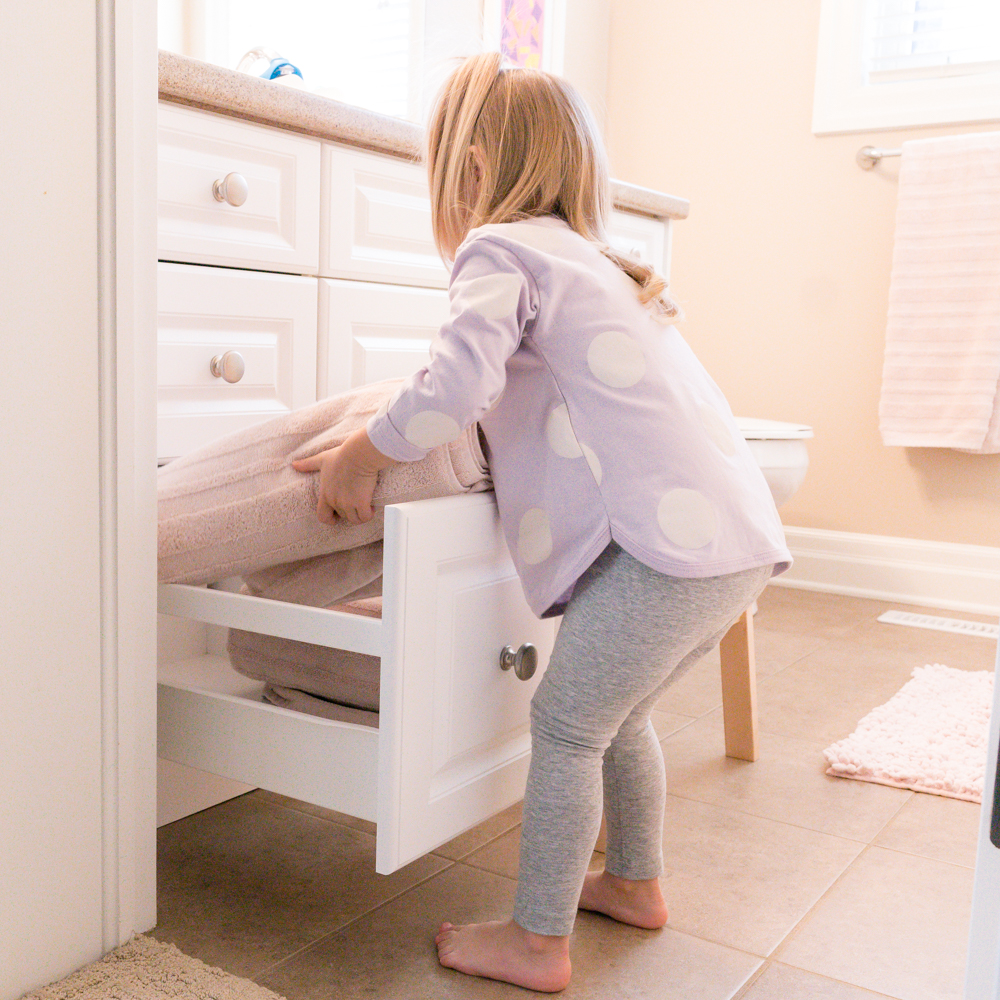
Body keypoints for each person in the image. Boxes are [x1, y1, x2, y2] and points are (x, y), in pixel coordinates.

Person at [291, 52, 791, 993]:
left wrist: (366, 450)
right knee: (621, 716)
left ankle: (536, 939)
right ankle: (633, 883)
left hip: (661, 553)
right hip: (728, 543)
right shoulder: (597, 260)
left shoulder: (501, 251)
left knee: (565, 729)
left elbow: (453, 388)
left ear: (469, 170)